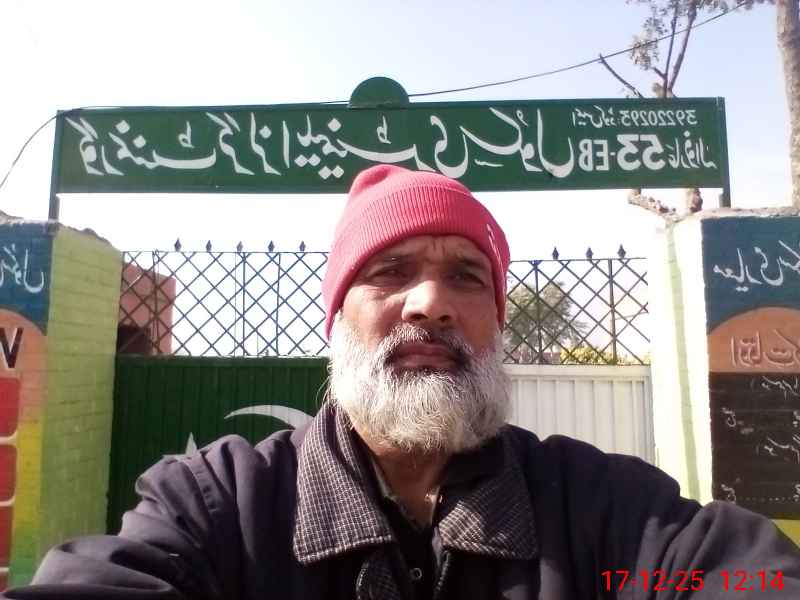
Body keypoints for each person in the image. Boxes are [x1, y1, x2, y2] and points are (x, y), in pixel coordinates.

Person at [4, 165, 799, 599]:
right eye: (389, 271)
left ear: (495, 322)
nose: (431, 303)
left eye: (466, 277)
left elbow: (750, 578)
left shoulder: (606, 514)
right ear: (337, 316)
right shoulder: (218, 506)